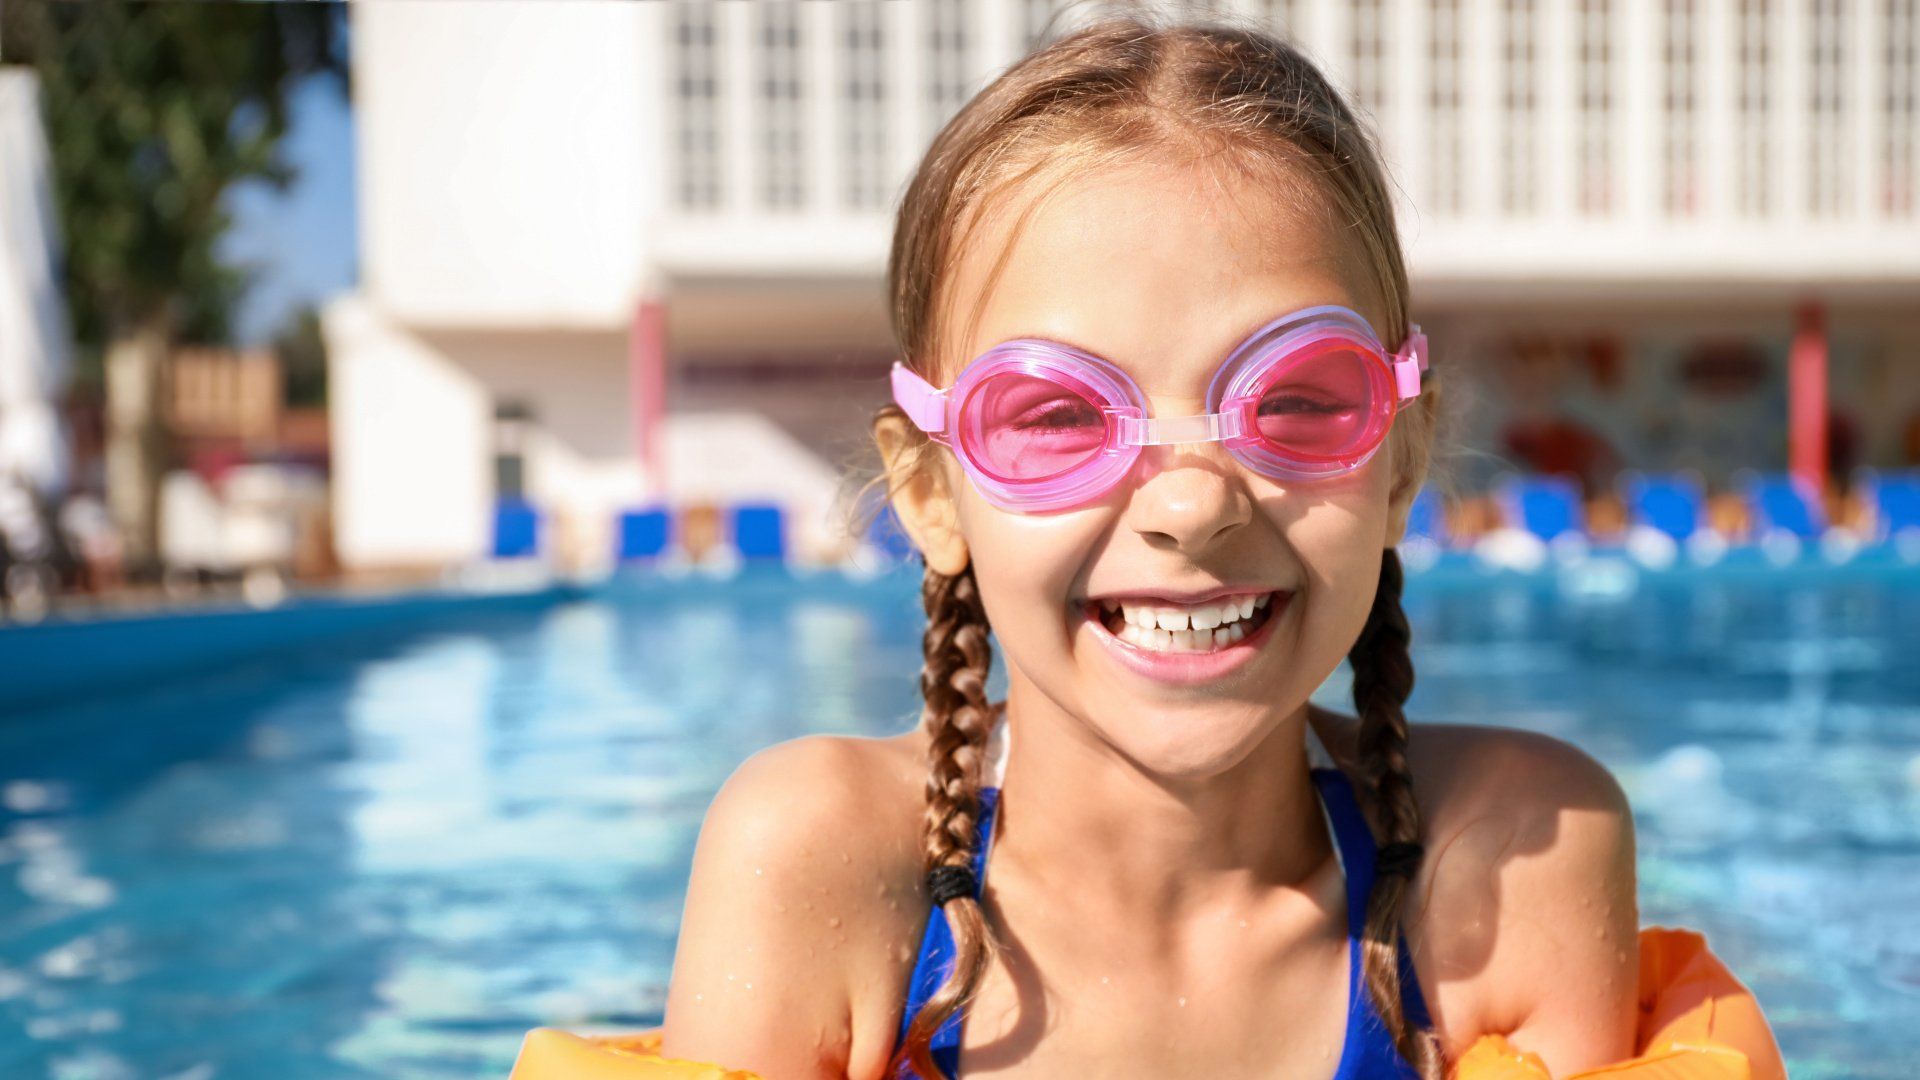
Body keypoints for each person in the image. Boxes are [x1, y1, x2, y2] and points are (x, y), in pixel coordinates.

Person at [663, 14, 1649, 1080]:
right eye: (1055, 417)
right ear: (931, 491)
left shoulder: (1513, 859)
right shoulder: (827, 868)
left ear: (1402, 456)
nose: (1191, 504)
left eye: (1297, 399)